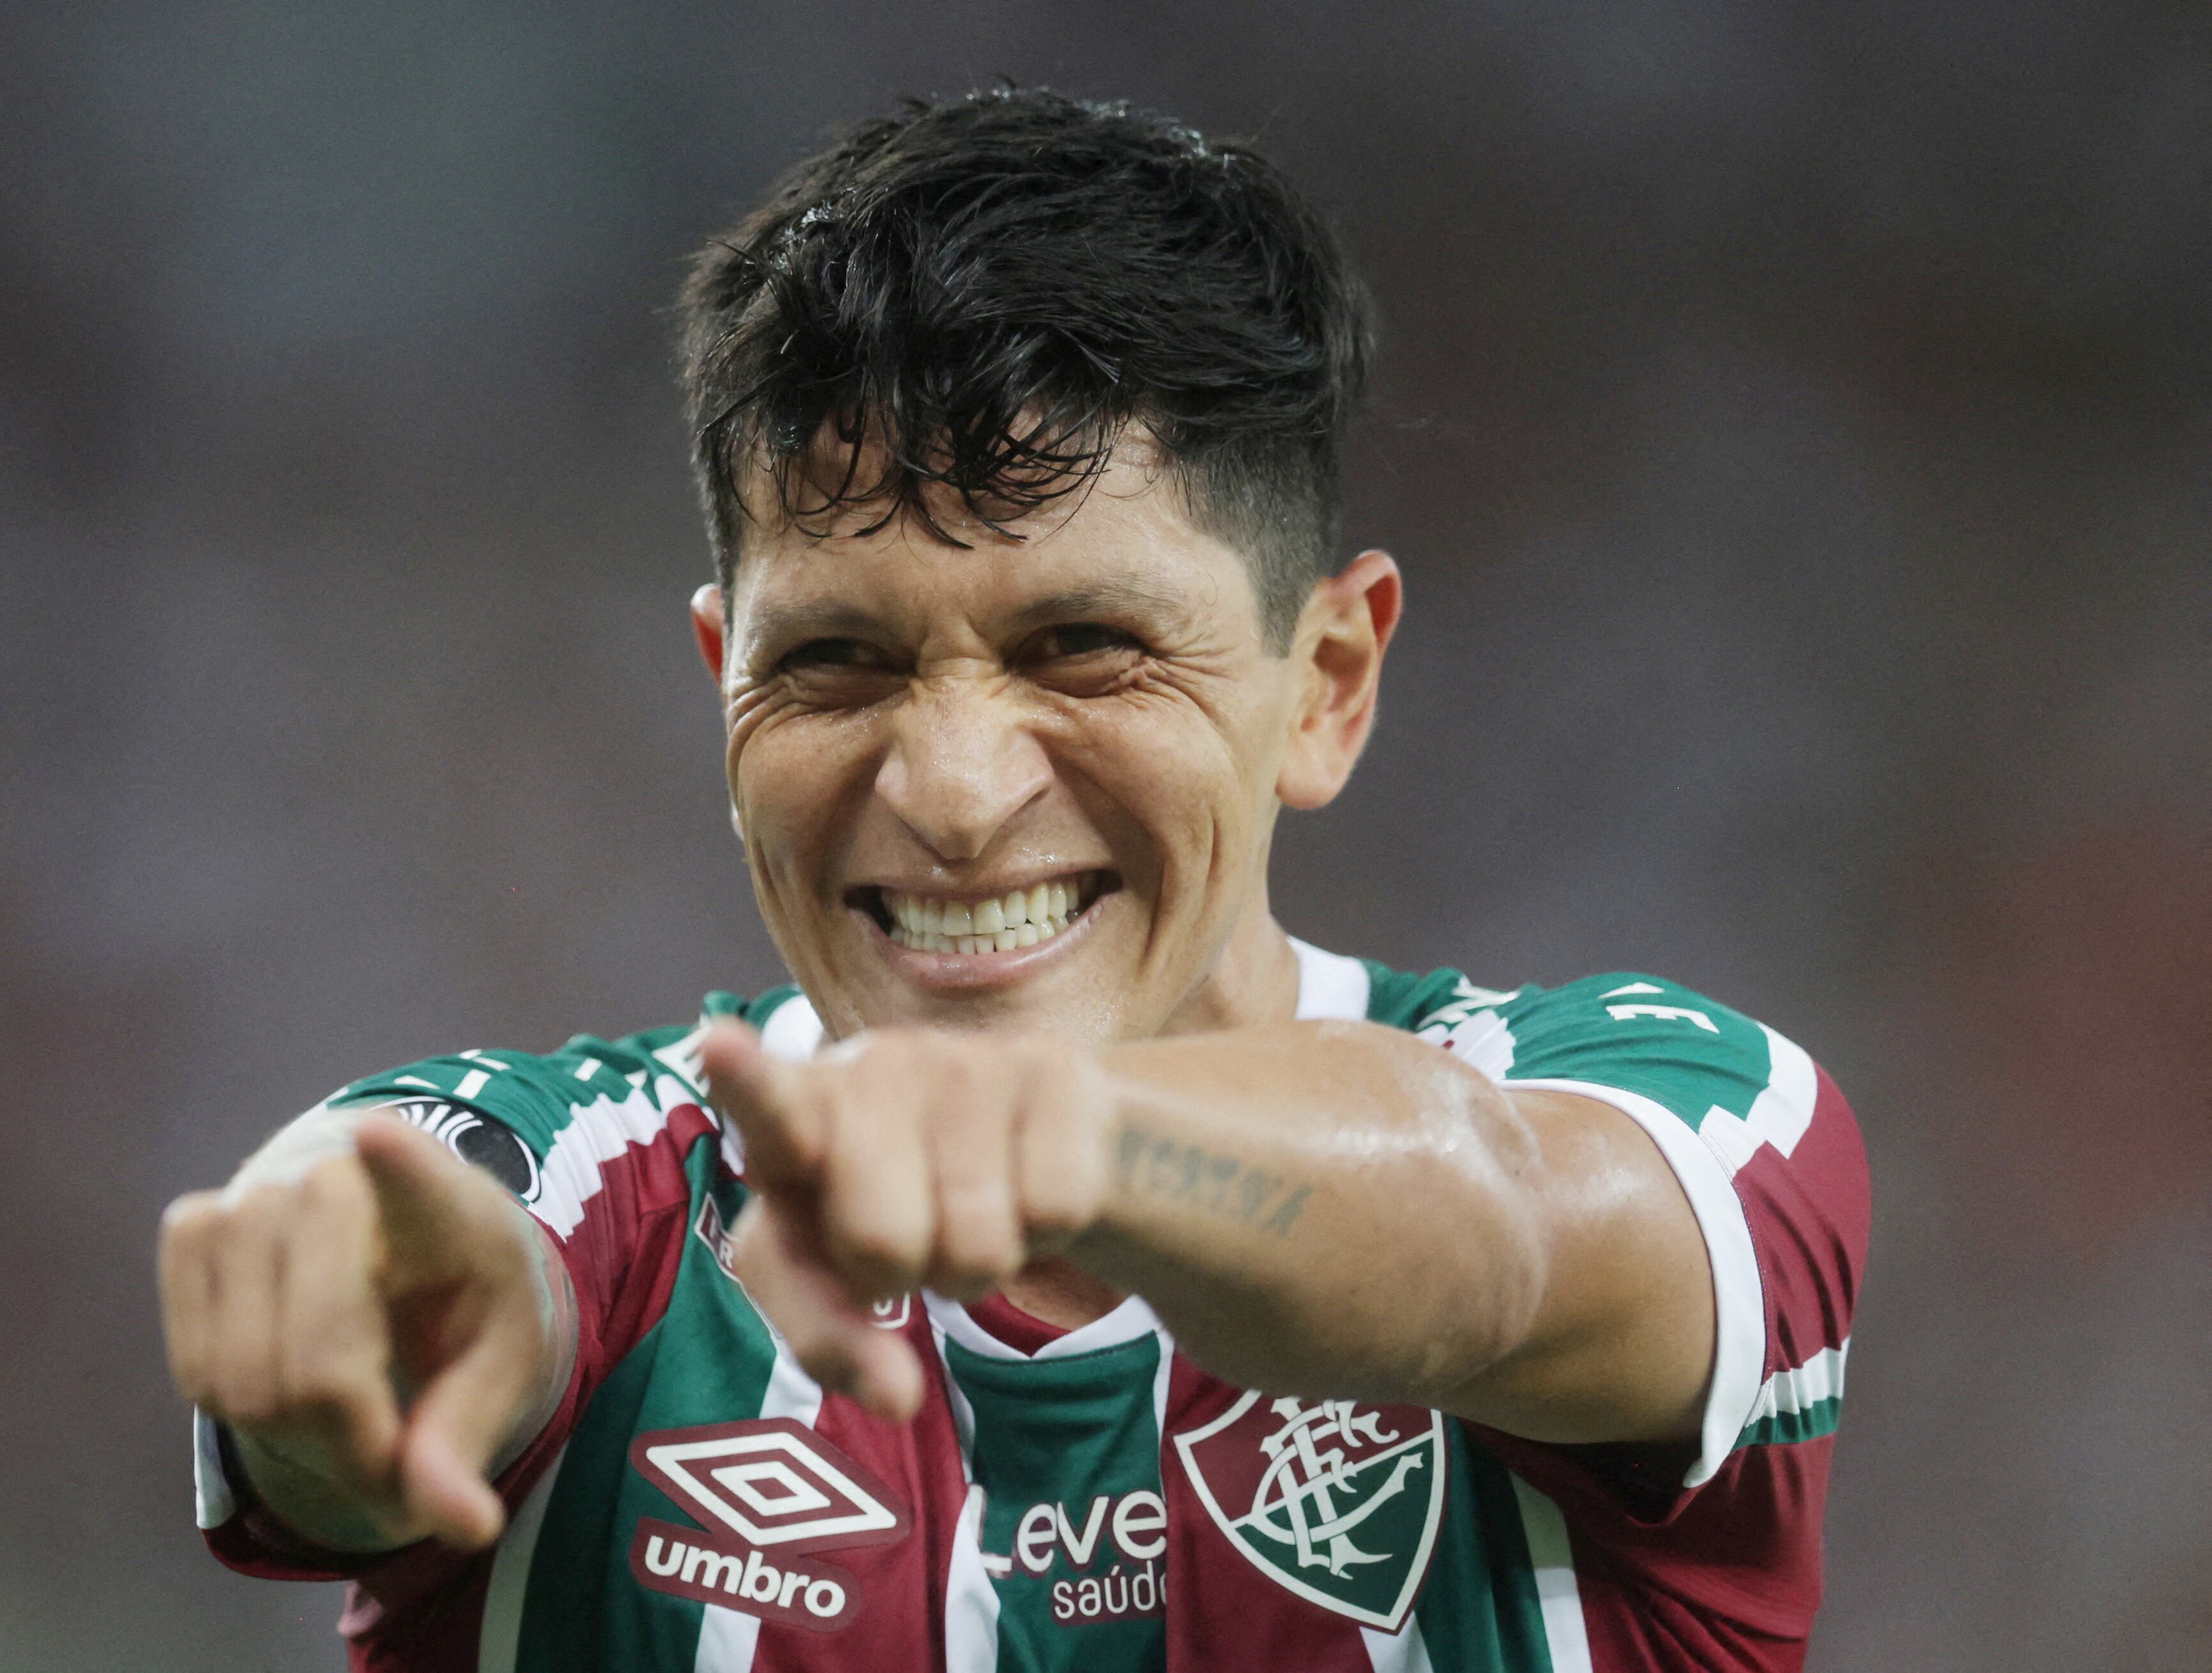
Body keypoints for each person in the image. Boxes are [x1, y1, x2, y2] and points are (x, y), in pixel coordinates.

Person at [159, 87, 1869, 1673]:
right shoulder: (607, 1191)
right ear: (720, 689)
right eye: (834, 664)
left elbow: (1489, 1231)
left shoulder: (1700, 1114)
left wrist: (1072, 1138)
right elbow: (430, 1249)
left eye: (1088, 647)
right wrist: (347, 1301)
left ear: (1326, 683)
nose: (957, 795)